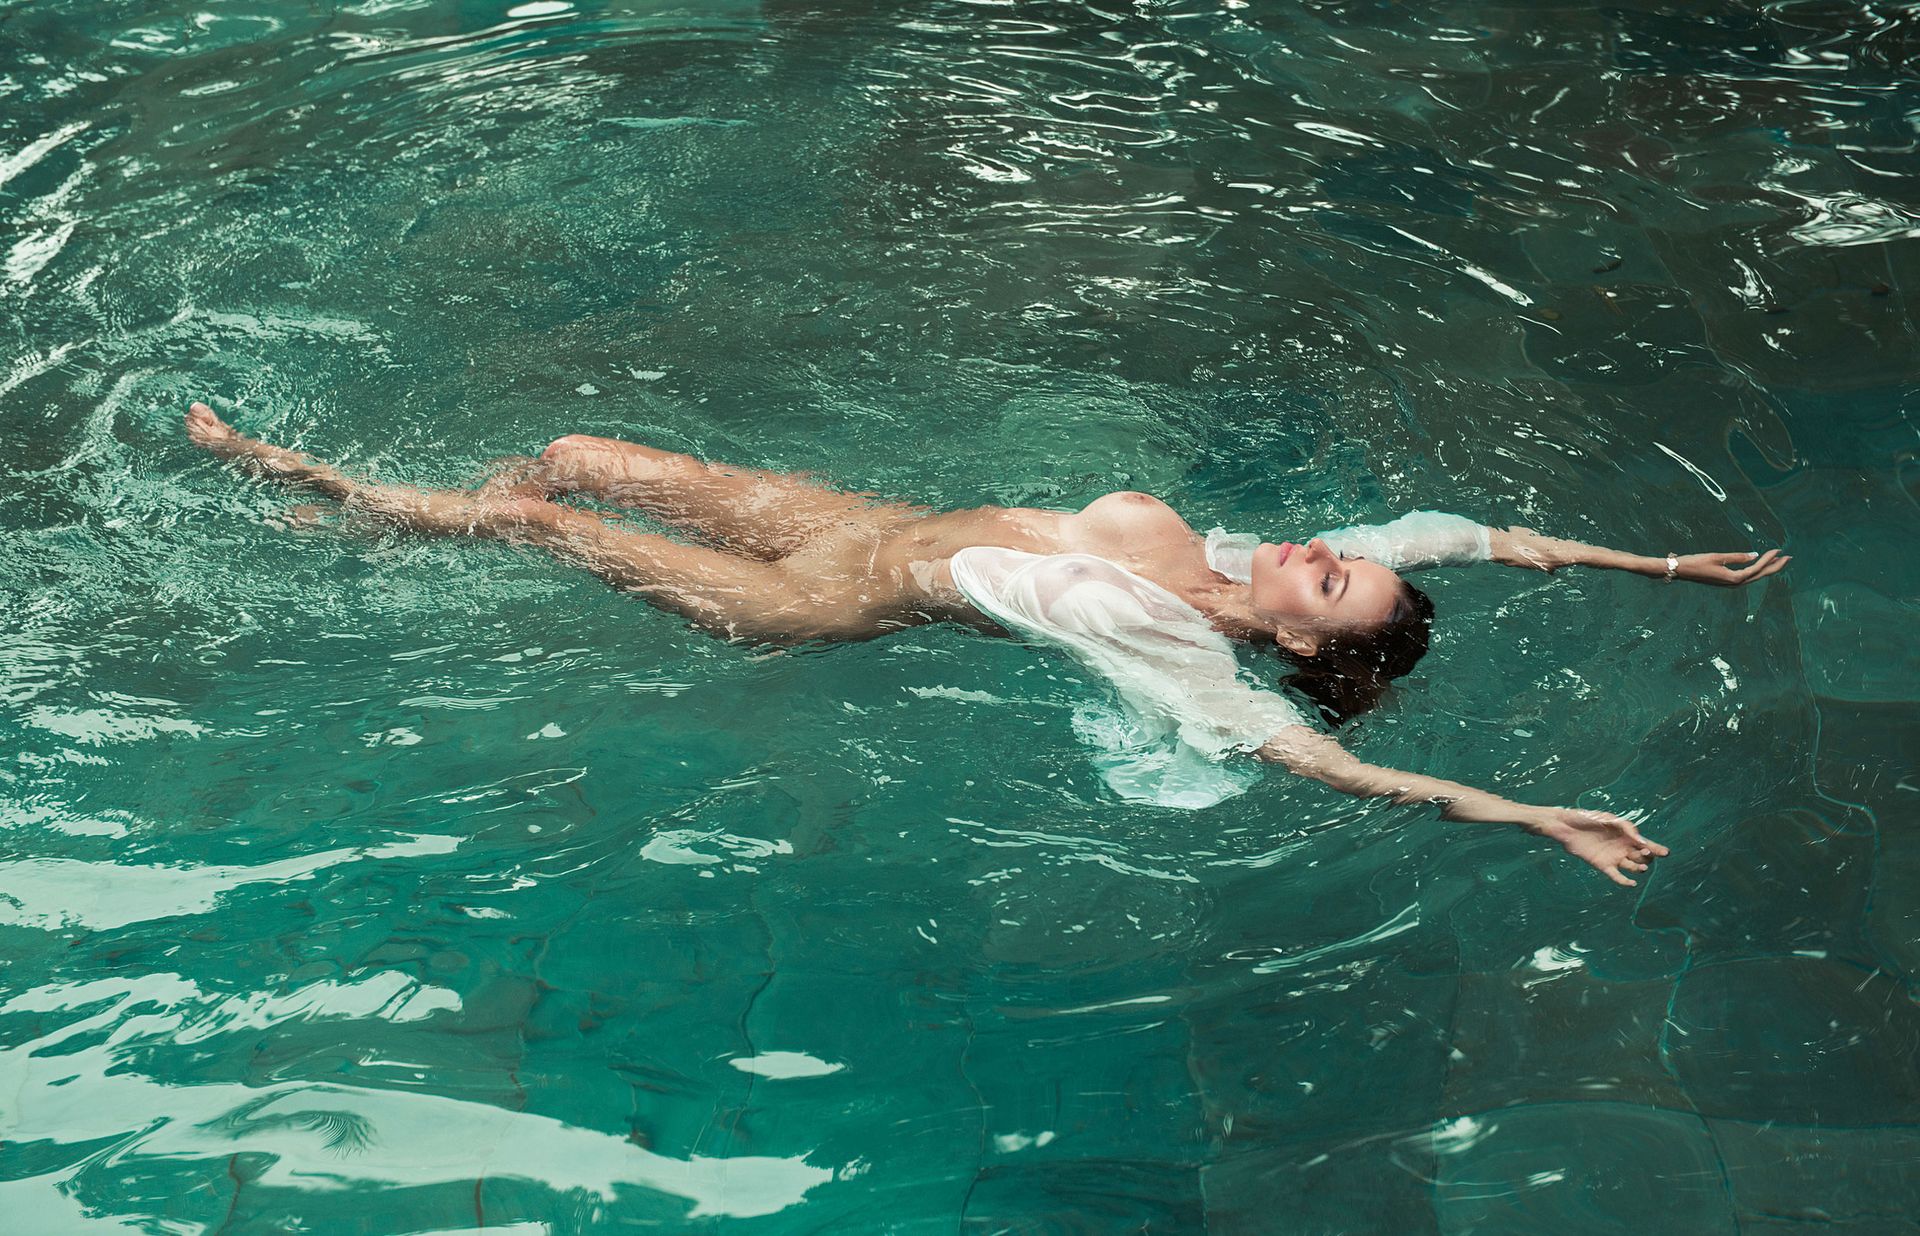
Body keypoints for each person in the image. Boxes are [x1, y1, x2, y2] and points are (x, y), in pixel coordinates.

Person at [184, 402, 1788, 886]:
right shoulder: (1255, 558)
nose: (1323, 558)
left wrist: (1526, 814)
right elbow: (1461, 536)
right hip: (846, 515)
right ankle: (414, 522)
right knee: (570, 457)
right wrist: (1657, 562)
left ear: (1307, 649)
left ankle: (317, 489)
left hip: (819, 602)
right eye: (1337, 560)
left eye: (1331, 588)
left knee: (541, 523)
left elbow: (1330, 771)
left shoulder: (1188, 663)